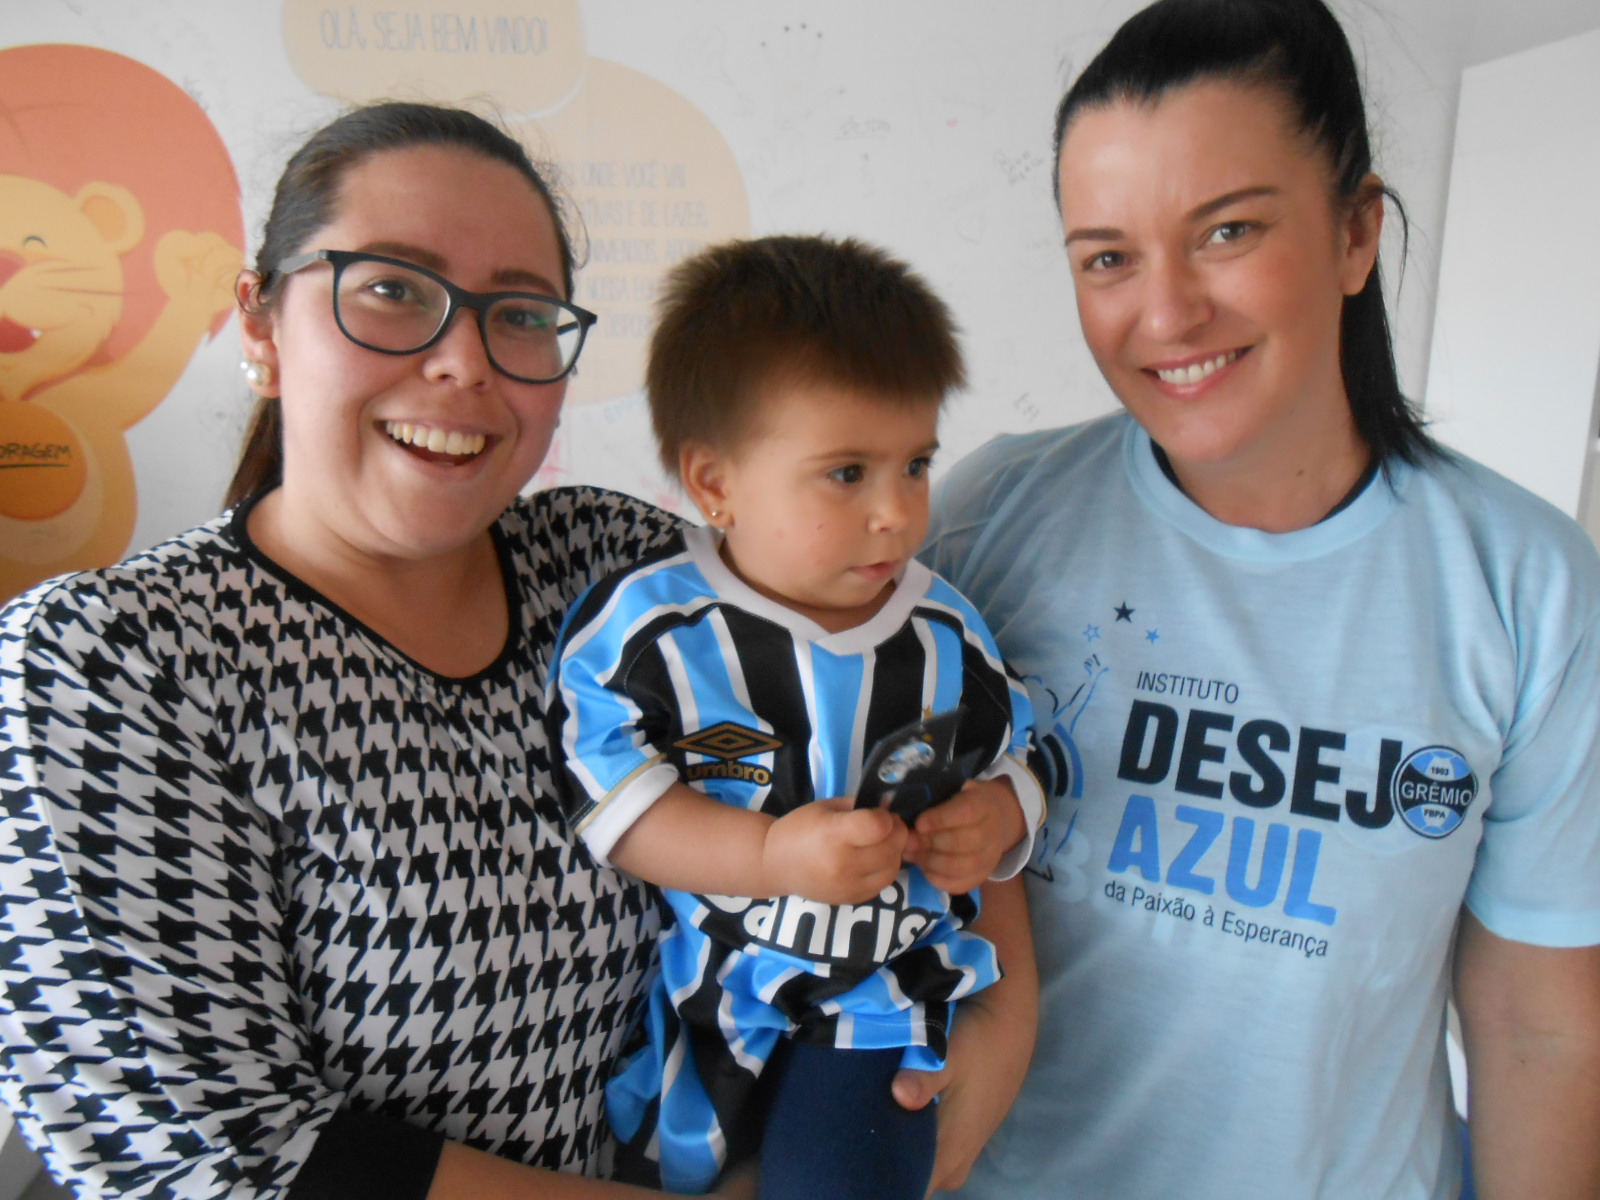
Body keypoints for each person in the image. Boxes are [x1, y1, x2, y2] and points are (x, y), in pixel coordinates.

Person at [919, 1, 1600, 1197]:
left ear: (1354, 233)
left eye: (1225, 231)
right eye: (1107, 258)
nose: (1166, 313)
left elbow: (1534, 1021)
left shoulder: (1523, 585)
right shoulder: (986, 523)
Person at [546, 234, 1043, 1200]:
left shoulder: (945, 630)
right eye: (847, 473)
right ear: (715, 483)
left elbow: (1025, 751)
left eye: (915, 464)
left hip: (876, 995)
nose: (898, 514)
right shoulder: (651, 630)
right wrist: (769, 860)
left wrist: (1003, 816)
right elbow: (611, 798)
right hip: (705, 999)